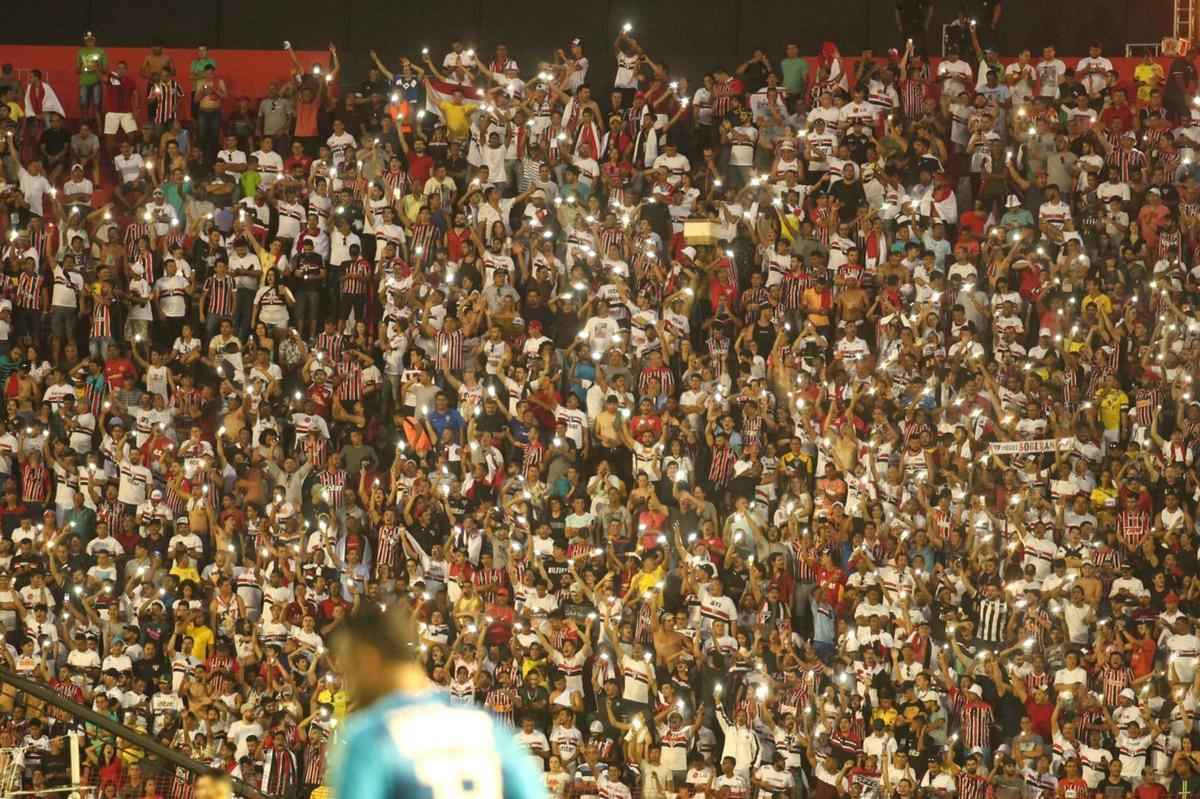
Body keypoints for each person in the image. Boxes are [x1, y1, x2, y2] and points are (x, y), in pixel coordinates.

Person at [329, 604, 547, 799]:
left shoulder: (372, 738)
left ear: (368, 659)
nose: (350, 681)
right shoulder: (487, 729)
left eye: (350, 667)